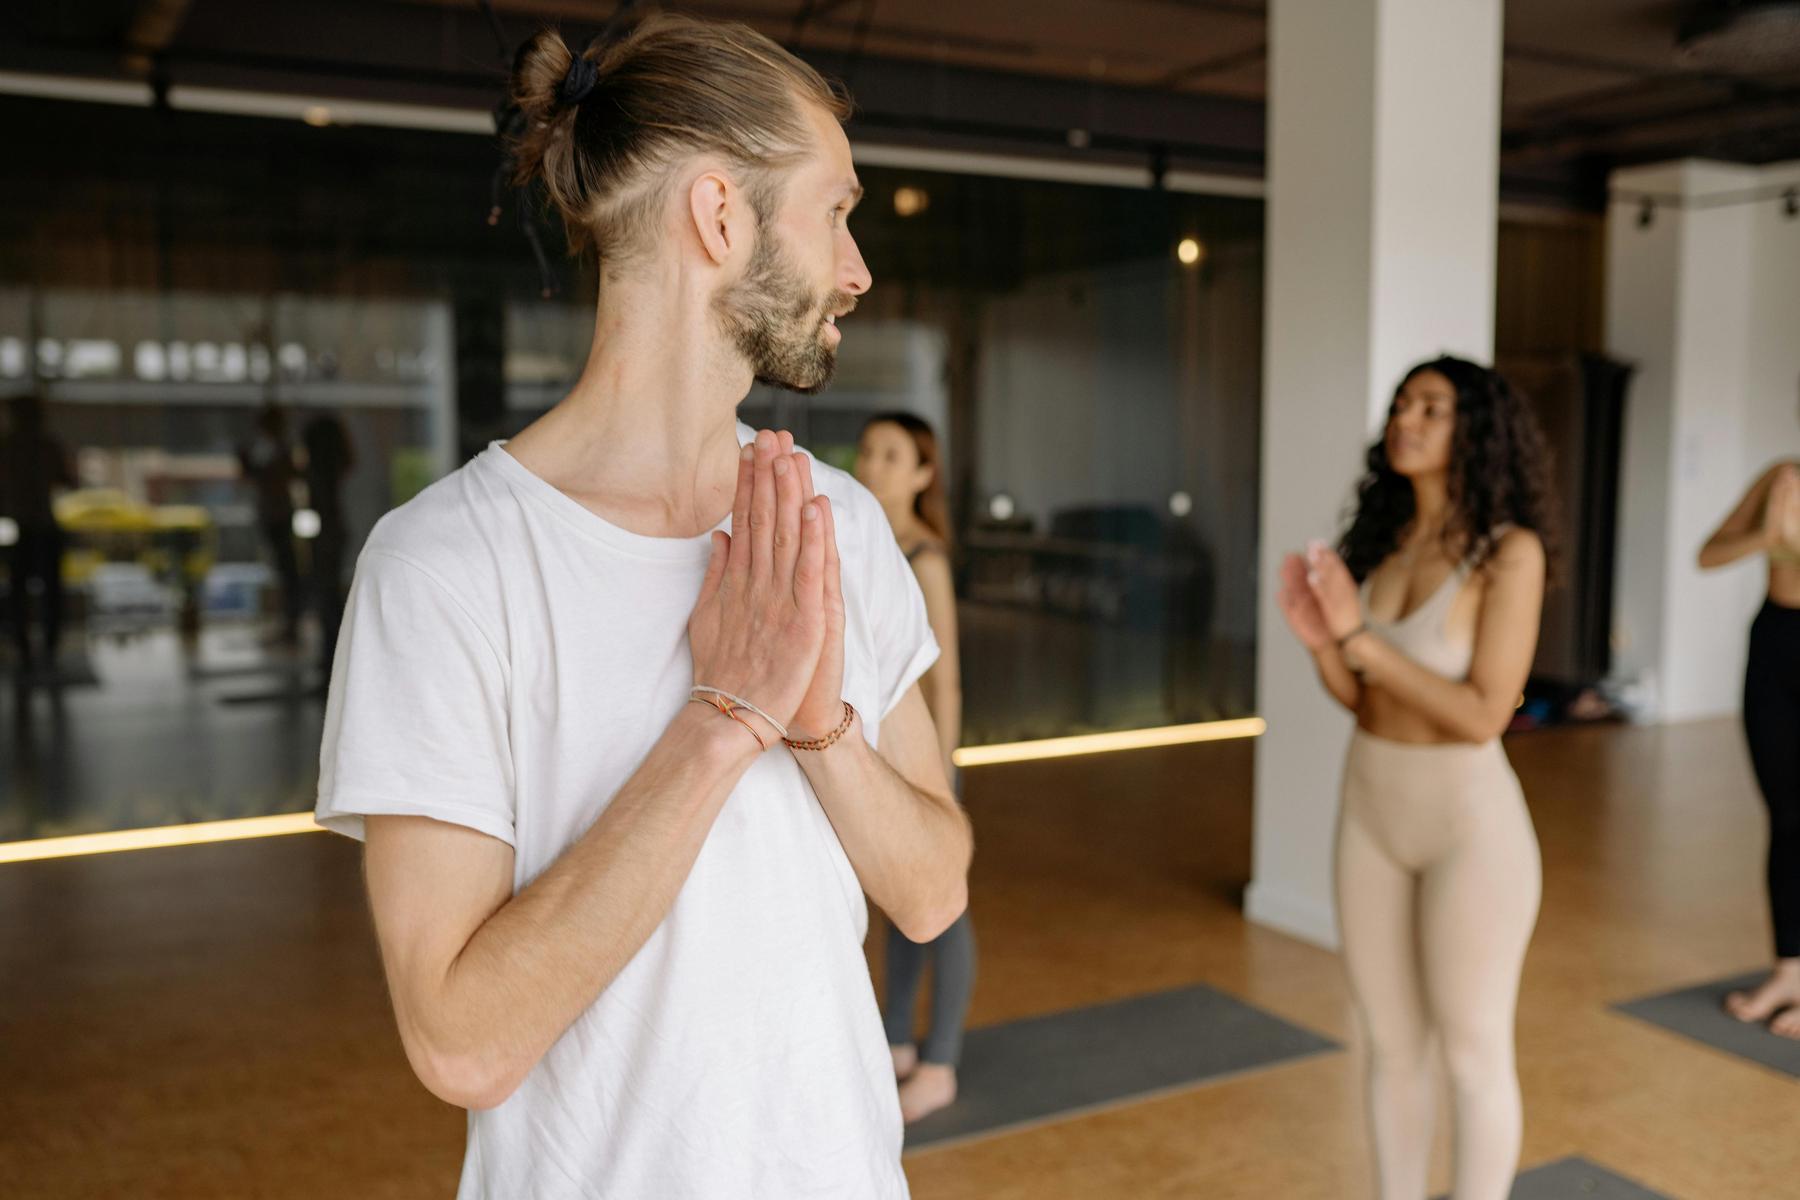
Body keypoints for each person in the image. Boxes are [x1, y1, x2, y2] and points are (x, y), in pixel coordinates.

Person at [314, 15, 971, 1199]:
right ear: (722, 216)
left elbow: (933, 889)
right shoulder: (442, 569)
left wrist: (820, 726)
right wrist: (725, 721)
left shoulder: (836, 524)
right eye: (837, 210)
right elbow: (459, 1041)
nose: (860, 267)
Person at [1274, 357, 1554, 1200]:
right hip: (1371, 808)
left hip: (1471, 827)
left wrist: (1356, 638)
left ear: (1477, 429)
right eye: (1402, 404)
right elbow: (1368, 703)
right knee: (1389, 1045)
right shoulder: (1388, 543)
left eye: (1431, 406)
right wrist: (1323, 641)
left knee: (1471, 1051)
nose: (1408, 418)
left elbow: (1482, 714)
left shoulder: (1510, 553)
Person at [854, 412, 974, 1123]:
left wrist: (945, 780)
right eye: (869, 450)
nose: (874, 465)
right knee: (900, 906)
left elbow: (946, 679)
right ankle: (897, 1040)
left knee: (945, 913)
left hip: (926, 763)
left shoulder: (924, 557)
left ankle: (940, 1064)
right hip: (880, 756)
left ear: (924, 475)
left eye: (893, 456)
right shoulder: (868, 542)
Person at [1699, 455, 1800, 1039]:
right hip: (1777, 646)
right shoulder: (1781, 478)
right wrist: (1770, 533)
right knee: (1786, 818)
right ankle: (1789, 971)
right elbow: (1708, 554)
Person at [0, 393, 75, 682]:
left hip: (24, 527)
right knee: (50, 592)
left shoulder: (8, 446)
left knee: (19, 591)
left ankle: (26, 648)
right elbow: (66, 480)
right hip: (43, 525)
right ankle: (47, 648)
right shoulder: (46, 444)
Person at [238, 402, 301, 645]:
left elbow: (271, 477)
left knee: (289, 574)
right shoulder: (275, 451)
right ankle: (289, 624)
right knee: (287, 573)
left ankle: (291, 625)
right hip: (277, 517)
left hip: (279, 518)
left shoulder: (280, 452)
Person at [300, 411, 355, 680]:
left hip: (328, 537)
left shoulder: (321, 475)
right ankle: (330, 663)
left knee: (328, 601)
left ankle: (331, 665)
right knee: (329, 601)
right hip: (330, 535)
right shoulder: (329, 472)